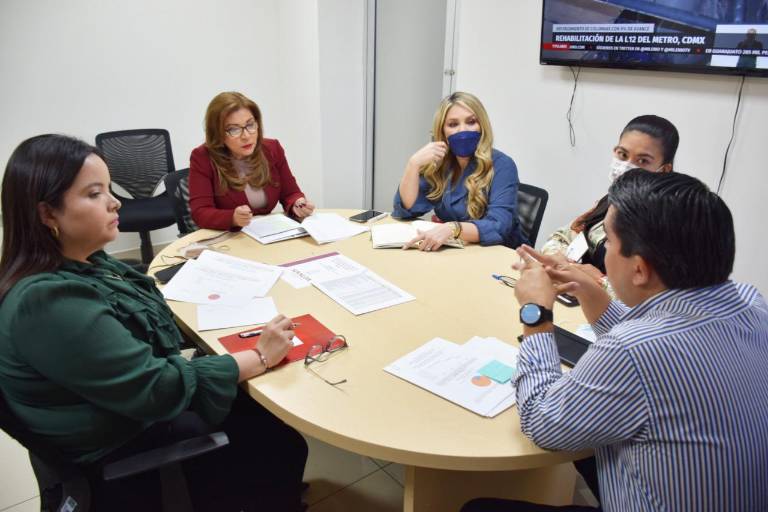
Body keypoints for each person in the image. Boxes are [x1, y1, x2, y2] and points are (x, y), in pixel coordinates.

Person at [0, 134, 308, 511]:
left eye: (109, 189)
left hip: (122, 406)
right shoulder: (47, 303)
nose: (115, 203)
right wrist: (259, 356)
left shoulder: (88, 261)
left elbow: (143, 320)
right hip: (122, 438)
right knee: (283, 443)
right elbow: (159, 388)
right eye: (95, 194)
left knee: (260, 412)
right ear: (48, 214)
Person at [463, 169, 768, 512]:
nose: (602, 251)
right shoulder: (750, 301)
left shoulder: (632, 350)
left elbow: (540, 421)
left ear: (639, 270)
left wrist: (536, 311)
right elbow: (660, 339)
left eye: (607, 241)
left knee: (477, 507)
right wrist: (590, 291)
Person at [541, 115, 679, 274]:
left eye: (642, 161)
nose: (627, 166)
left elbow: (651, 293)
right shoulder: (609, 201)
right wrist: (560, 259)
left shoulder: (664, 224)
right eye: (623, 155)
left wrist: (597, 282)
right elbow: (561, 237)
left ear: (665, 170)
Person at [392, 91, 524, 250]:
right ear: (443, 131)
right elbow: (408, 209)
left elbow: (499, 226)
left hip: (500, 254)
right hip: (458, 250)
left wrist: (452, 228)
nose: (463, 130)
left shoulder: (503, 165)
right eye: (453, 124)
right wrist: (412, 165)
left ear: (482, 125)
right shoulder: (442, 163)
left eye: (471, 122)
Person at [189, 91, 315, 230]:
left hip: (268, 234)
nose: (246, 136)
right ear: (217, 133)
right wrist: (232, 218)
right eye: (234, 129)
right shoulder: (202, 157)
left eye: (250, 125)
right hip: (230, 238)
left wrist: (297, 203)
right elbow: (200, 212)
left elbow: (290, 193)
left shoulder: (272, 149)